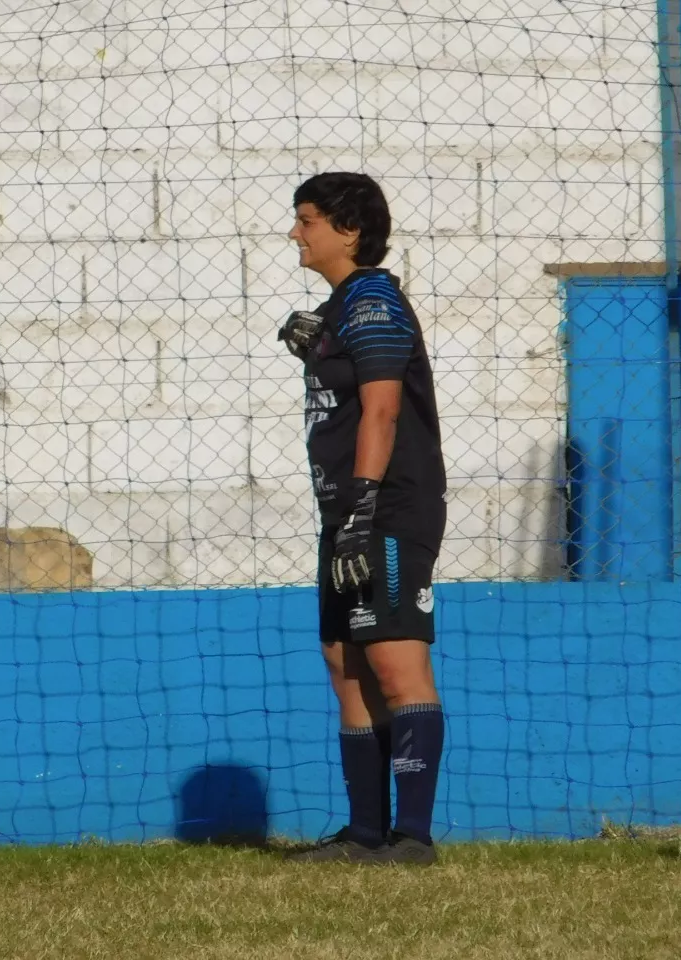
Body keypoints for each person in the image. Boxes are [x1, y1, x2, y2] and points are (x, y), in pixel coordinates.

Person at [278, 172, 447, 864]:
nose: (295, 232)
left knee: (393, 660)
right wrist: (318, 343)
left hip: (386, 507)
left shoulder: (373, 301)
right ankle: (365, 834)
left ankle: (413, 837)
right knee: (344, 661)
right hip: (346, 511)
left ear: (349, 231)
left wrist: (364, 506)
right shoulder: (342, 306)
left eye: (307, 220)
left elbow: (381, 409)